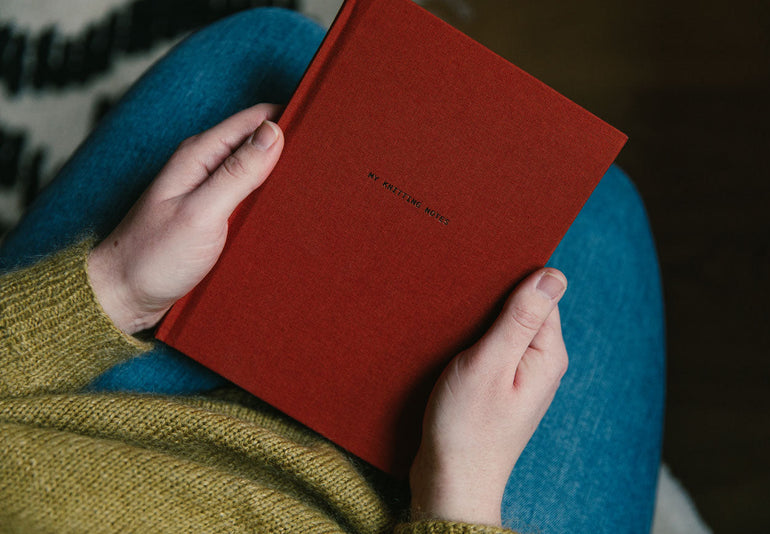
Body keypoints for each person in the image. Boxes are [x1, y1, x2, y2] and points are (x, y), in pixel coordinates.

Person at [0, 8, 664, 534]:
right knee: (602, 214)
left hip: (69, 411)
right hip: (400, 501)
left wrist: (116, 289)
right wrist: (462, 488)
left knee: (267, 48)